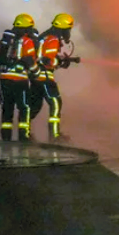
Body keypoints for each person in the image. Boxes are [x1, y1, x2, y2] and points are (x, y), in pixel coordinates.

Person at [0, 14, 39, 141]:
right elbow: (29, 60)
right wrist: (36, 72)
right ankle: (24, 137)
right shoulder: (27, 42)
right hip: (20, 80)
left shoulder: (3, 41)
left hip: (4, 79)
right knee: (24, 108)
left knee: (7, 108)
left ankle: (6, 138)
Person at [30, 13, 80, 141]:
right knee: (56, 103)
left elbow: (43, 55)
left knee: (35, 105)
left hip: (35, 76)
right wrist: (60, 62)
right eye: (68, 29)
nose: (69, 32)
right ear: (64, 29)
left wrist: (63, 60)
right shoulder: (53, 39)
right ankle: (54, 136)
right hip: (44, 77)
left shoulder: (46, 36)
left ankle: (24, 131)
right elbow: (47, 60)